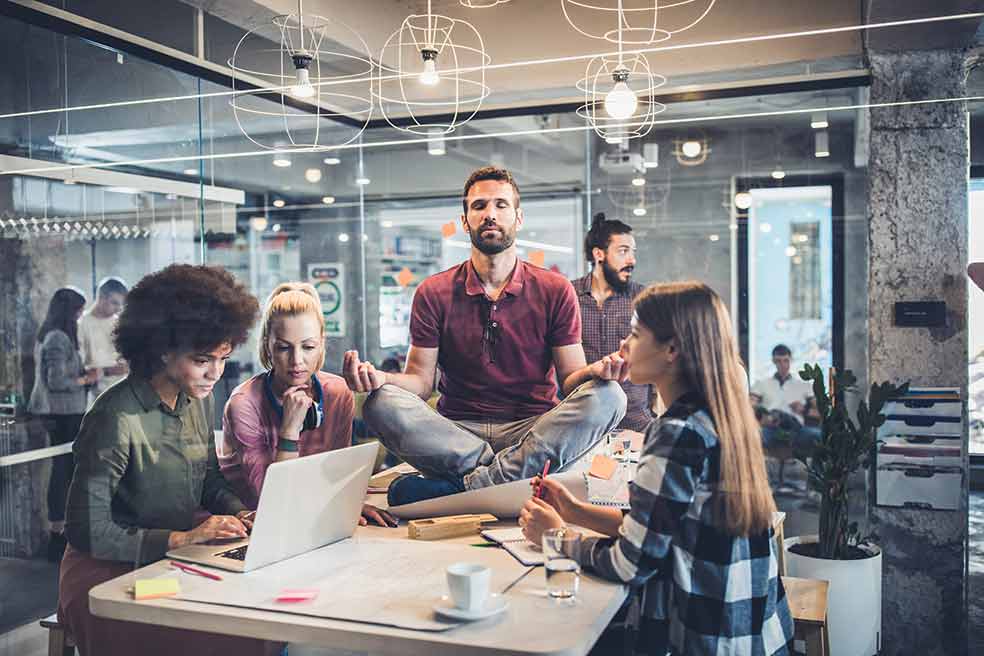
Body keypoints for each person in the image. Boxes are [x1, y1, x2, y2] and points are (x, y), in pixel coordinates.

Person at [519, 282, 794, 656]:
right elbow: (660, 529)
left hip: (707, 636)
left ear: (672, 349)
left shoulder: (676, 433)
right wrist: (572, 510)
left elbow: (630, 564)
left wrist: (558, 538)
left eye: (634, 334)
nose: (624, 346)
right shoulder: (718, 416)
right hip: (757, 631)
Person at [345, 166, 627, 505]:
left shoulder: (555, 290)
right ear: (465, 221)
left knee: (610, 396)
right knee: (380, 402)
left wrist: (595, 373)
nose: (490, 214)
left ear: (518, 218)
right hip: (456, 434)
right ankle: (508, 478)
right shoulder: (433, 292)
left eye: (500, 205)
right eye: (479, 206)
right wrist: (381, 378)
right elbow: (421, 383)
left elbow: (570, 381)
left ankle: (469, 487)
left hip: (532, 430)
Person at [59, 264, 277, 656]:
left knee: (256, 617)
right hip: (107, 571)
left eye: (223, 358)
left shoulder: (198, 399)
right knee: (215, 634)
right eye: (202, 360)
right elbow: (86, 531)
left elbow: (208, 478)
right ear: (161, 349)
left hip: (174, 556)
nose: (215, 374)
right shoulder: (114, 417)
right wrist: (184, 538)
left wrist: (241, 513)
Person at [219, 282, 396, 527]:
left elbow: (335, 477)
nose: (297, 361)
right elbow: (275, 503)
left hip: (311, 518)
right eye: (283, 348)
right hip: (253, 528)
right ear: (267, 347)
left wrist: (347, 502)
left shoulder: (338, 393)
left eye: (308, 347)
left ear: (322, 343)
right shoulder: (244, 404)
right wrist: (289, 431)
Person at [27, 287, 96, 562]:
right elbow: (56, 382)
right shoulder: (57, 338)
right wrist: (86, 379)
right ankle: (58, 535)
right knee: (62, 472)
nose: (80, 316)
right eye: (78, 310)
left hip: (63, 412)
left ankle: (61, 532)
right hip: (61, 413)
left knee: (64, 471)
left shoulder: (55, 335)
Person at [571, 212, 652, 432]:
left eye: (633, 252)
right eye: (623, 251)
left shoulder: (644, 299)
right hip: (580, 421)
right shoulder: (568, 297)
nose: (632, 260)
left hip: (635, 421)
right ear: (599, 254)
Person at [750, 344, 819, 451]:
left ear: (790, 360)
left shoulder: (804, 385)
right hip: (771, 427)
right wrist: (761, 418)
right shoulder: (761, 384)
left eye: (785, 360)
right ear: (773, 361)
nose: (782, 364)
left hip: (796, 429)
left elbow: (822, 411)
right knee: (752, 436)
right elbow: (748, 407)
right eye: (778, 361)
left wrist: (804, 410)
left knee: (819, 436)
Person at [78, 276, 128, 402]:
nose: (118, 308)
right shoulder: (81, 324)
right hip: (95, 394)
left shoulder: (121, 324)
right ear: (101, 298)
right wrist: (106, 371)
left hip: (123, 390)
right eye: (115, 303)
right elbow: (80, 365)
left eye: (121, 304)